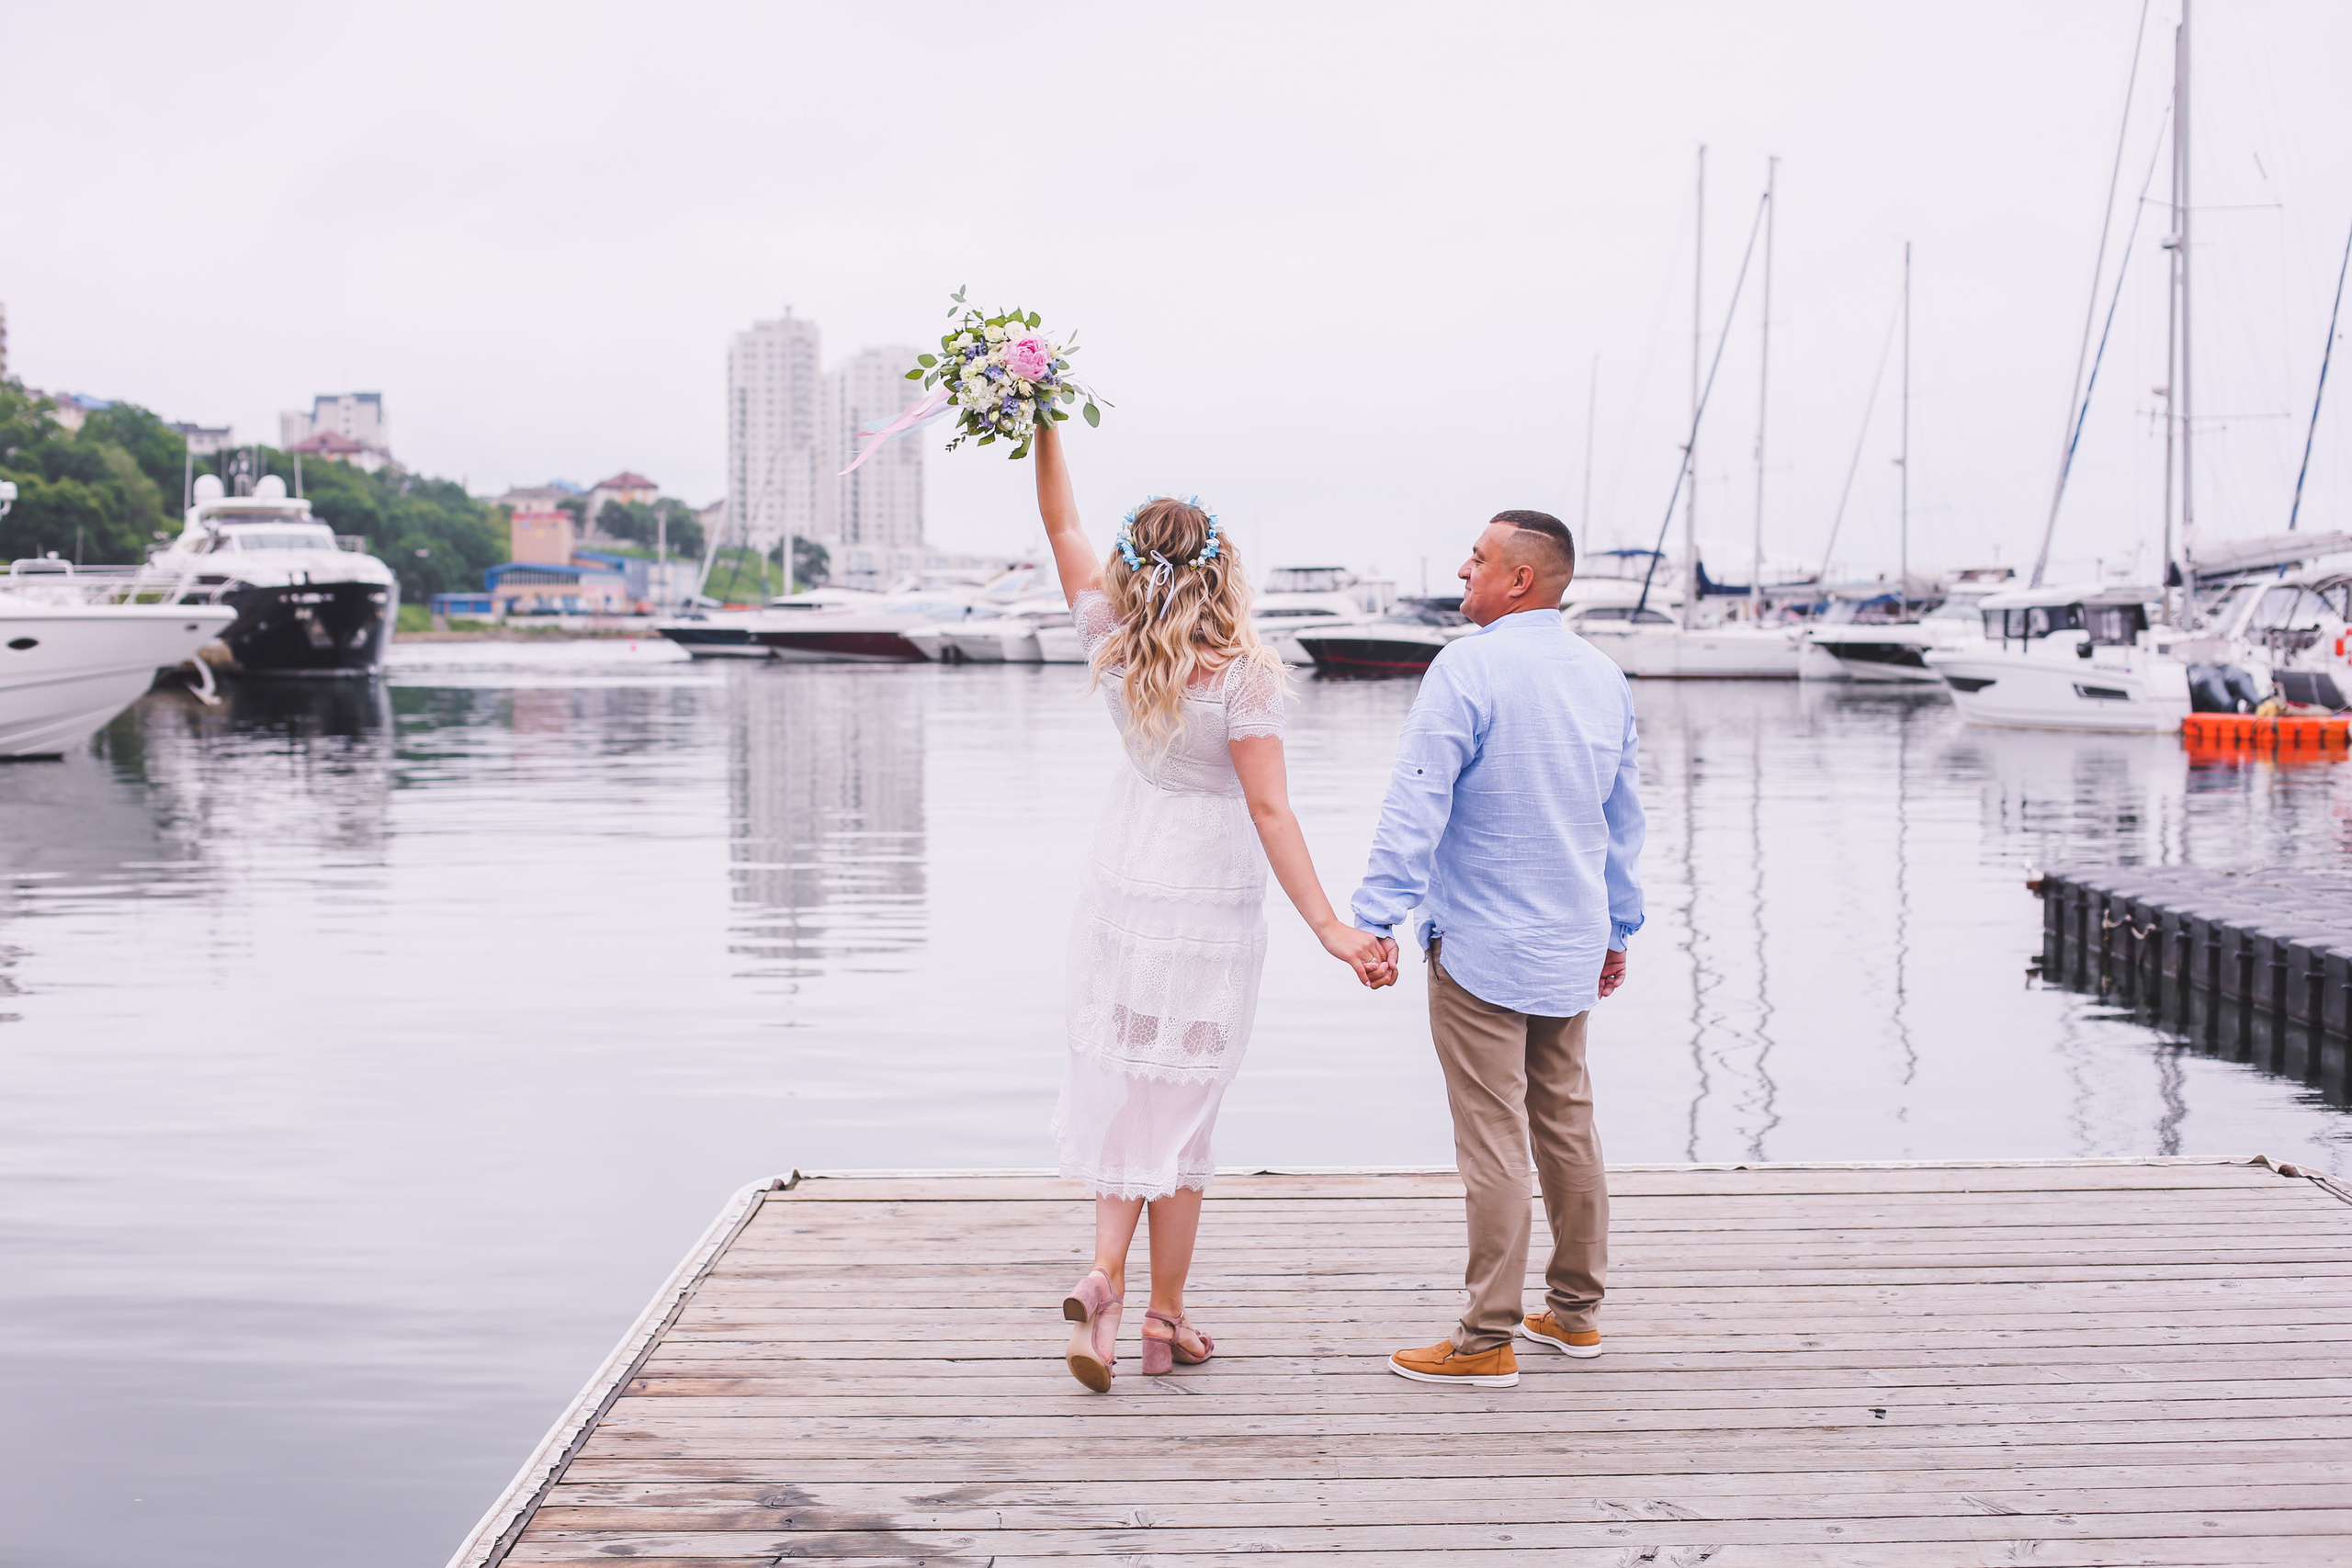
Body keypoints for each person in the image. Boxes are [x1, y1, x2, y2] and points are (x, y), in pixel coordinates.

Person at [1032, 420, 1394, 1393]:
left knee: (1125, 1086)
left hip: (1121, 887)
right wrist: (1331, 927)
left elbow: (1058, 518)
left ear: (1129, 567)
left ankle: (1104, 1284)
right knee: (1183, 1116)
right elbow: (1270, 809)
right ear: (1220, 568)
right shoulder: (1241, 675)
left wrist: (1042, 418)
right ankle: (1161, 1316)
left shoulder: (1111, 643)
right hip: (1206, 902)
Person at [1351, 509, 1645, 1389]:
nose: (1462, 569)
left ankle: (1486, 1338)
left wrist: (1376, 916)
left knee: (1493, 1140)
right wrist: (1620, 926)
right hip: (1571, 939)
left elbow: (1417, 800)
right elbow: (1622, 818)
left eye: (1476, 558)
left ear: (1520, 578)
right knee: (1566, 1122)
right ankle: (1578, 1313)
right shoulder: (1604, 675)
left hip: (1481, 943)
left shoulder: (1466, 667)